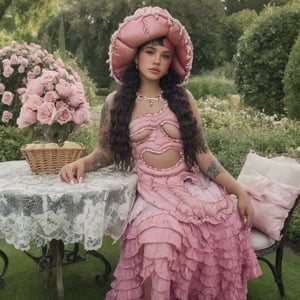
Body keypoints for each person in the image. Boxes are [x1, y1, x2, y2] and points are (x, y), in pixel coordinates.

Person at [59, 6, 262, 300]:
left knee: (219, 225)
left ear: (171, 63)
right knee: (158, 239)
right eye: (151, 52)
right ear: (136, 56)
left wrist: (239, 191)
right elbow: (104, 152)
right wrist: (82, 162)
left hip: (189, 187)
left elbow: (204, 155)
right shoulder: (116, 102)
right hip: (151, 193)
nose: (157, 61)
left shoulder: (182, 98)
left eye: (165, 56)